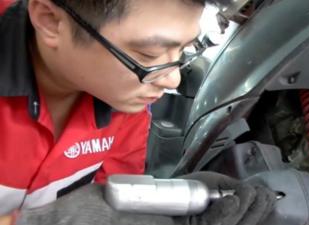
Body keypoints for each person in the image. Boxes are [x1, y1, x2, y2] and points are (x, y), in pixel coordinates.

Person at [0, 0, 276, 224]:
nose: (172, 80)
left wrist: (170, 208)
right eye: (150, 55)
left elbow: (112, 205)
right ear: (51, 21)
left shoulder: (126, 104)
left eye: (183, 50)